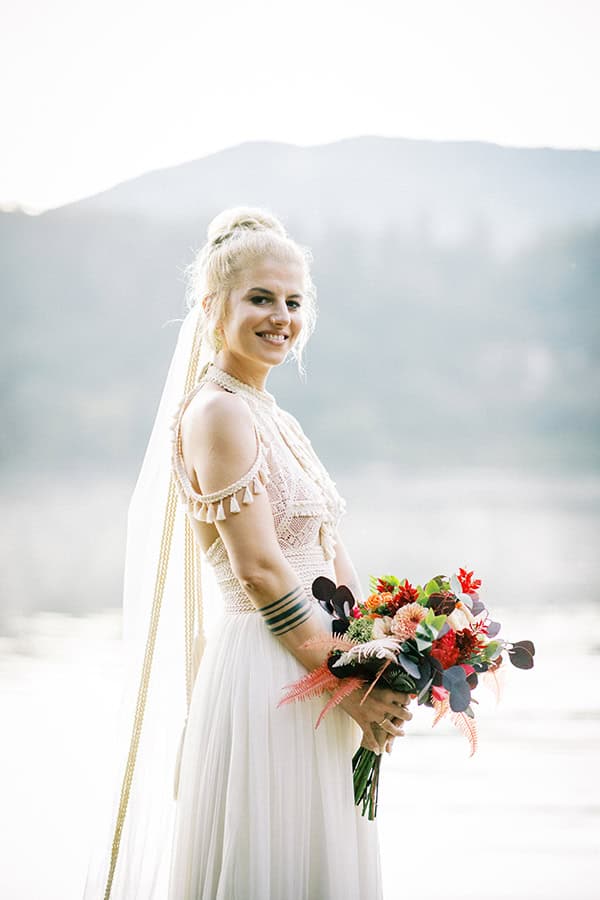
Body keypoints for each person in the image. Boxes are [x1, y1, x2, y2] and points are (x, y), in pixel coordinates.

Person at [83, 207, 412, 900]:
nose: (281, 317)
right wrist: (344, 681)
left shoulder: (275, 416)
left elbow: (329, 551)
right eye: (261, 298)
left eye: (294, 301)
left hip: (320, 663)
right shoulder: (218, 411)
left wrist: (384, 651)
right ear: (212, 307)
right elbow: (259, 569)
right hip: (269, 668)